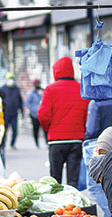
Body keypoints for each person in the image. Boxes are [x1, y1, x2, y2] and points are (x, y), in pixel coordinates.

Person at [38, 56, 90, 187]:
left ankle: (57, 205)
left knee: (55, 180)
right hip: (76, 140)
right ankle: (72, 206)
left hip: (56, 141)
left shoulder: (50, 89)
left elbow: (43, 115)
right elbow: (87, 115)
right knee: (73, 180)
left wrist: (48, 129)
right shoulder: (81, 89)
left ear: (56, 71)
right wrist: (82, 130)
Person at [0, 72, 23, 149]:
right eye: (9, 79)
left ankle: (12, 144)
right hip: (5, 114)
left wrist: (21, 111)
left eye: (12, 79)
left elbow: (20, 101)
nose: (11, 81)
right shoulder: (2, 89)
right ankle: (3, 144)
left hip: (14, 113)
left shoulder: (16, 89)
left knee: (14, 130)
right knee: (4, 130)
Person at [25, 79, 44, 147]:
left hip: (43, 114)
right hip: (34, 114)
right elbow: (27, 103)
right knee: (36, 129)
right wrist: (33, 109)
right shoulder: (31, 93)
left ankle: (46, 142)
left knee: (45, 129)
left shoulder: (43, 91)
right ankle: (36, 143)